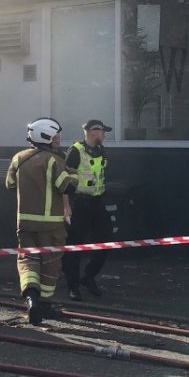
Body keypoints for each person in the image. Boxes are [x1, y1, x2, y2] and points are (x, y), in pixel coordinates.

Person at [5, 117, 78, 325]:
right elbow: (67, 187)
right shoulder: (54, 161)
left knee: (28, 260)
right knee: (50, 263)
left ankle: (31, 298)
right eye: (55, 137)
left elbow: (9, 184)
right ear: (45, 136)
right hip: (51, 224)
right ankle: (44, 304)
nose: (58, 140)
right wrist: (74, 175)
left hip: (25, 223)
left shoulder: (18, 158)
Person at [63, 119, 114, 301]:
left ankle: (88, 277)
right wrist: (67, 207)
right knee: (74, 246)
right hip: (80, 203)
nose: (104, 135)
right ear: (93, 132)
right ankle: (73, 286)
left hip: (97, 202)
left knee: (106, 240)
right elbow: (66, 182)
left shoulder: (100, 150)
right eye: (102, 132)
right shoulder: (76, 151)